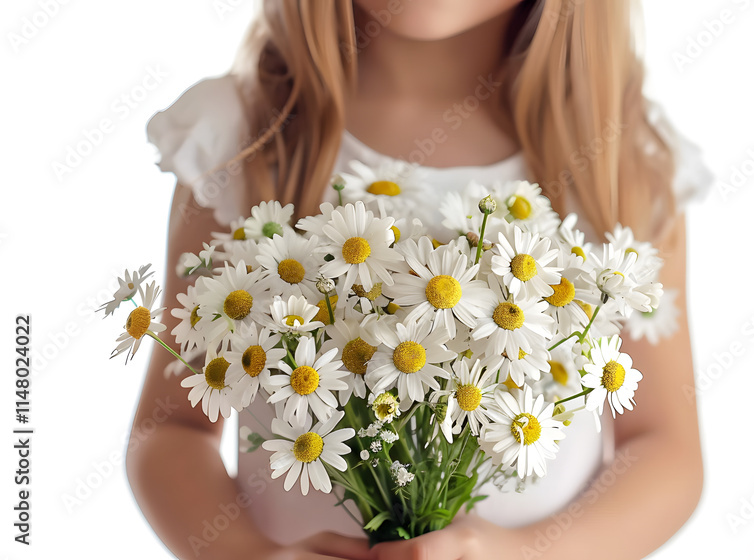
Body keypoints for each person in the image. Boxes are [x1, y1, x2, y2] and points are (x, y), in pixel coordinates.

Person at [127, 1, 712, 558]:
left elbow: (665, 447)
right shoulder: (245, 135)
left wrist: (529, 554)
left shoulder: (622, 162)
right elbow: (172, 428)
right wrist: (247, 556)